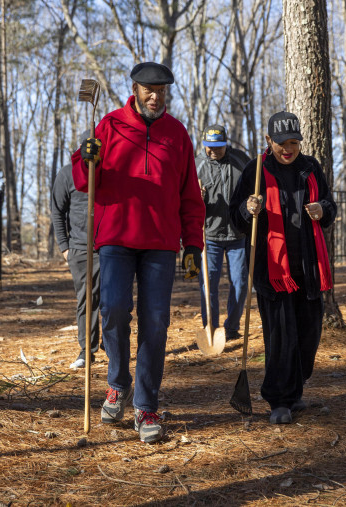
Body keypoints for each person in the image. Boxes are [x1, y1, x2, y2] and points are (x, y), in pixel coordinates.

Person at [72, 62, 205, 443]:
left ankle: (146, 404)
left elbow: (189, 196)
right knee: (113, 309)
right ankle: (118, 383)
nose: (155, 95)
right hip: (114, 238)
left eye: (162, 89)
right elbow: (84, 183)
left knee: (156, 321)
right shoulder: (110, 125)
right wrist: (87, 156)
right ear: (134, 88)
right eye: (149, 89)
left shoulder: (177, 134)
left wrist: (192, 243)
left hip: (161, 244)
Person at [229, 111, 337, 425]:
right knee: (280, 337)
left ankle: (294, 387)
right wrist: (249, 209)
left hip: (308, 266)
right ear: (268, 141)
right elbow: (236, 219)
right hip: (272, 268)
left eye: (293, 142)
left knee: (309, 334)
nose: (287, 149)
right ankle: (279, 399)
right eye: (281, 143)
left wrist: (322, 209)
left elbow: (330, 205)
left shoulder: (310, 167)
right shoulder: (256, 169)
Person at [196, 125, 251, 341]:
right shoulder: (197, 165)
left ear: (226, 144)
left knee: (240, 282)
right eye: (209, 147)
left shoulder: (241, 160)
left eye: (218, 147)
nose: (213, 151)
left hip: (238, 233)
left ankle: (232, 327)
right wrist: (196, 197)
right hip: (209, 235)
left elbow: (254, 188)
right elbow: (184, 199)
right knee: (208, 284)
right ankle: (210, 328)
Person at [50, 154, 101, 371]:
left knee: (114, 298)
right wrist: (65, 247)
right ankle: (86, 350)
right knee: (86, 298)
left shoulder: (111, 170)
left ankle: (114, 345)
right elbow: (57, 211)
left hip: (111, 245)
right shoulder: (67, 173)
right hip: (79, 248)